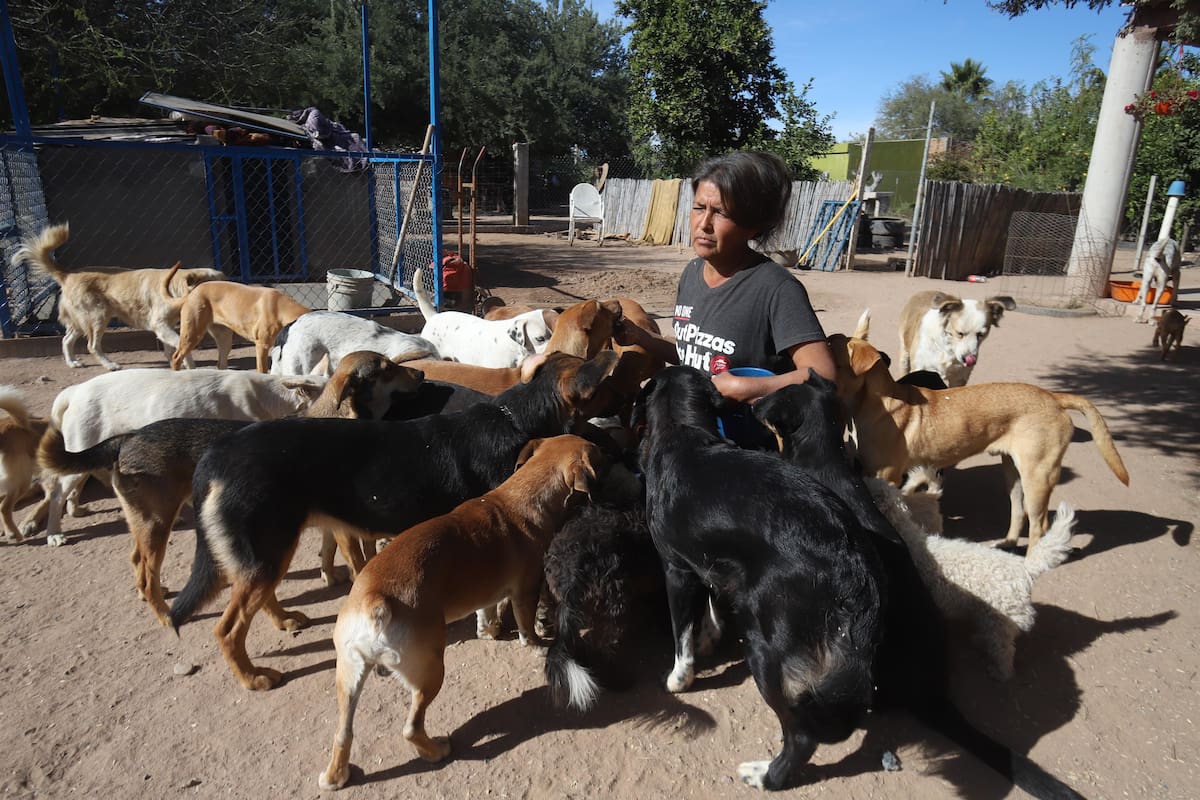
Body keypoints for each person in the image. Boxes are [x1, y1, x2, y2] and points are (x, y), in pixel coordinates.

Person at [615, 150, 835, 405]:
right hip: (693, 428)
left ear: (752, 225)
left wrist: (752, 387)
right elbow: (695, 355)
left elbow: (824, 376)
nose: (704, 223)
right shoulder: (692, 272)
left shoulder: (776, 288)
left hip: (742, 439)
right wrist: (643, 338)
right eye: (699, 208)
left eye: (720, 212)